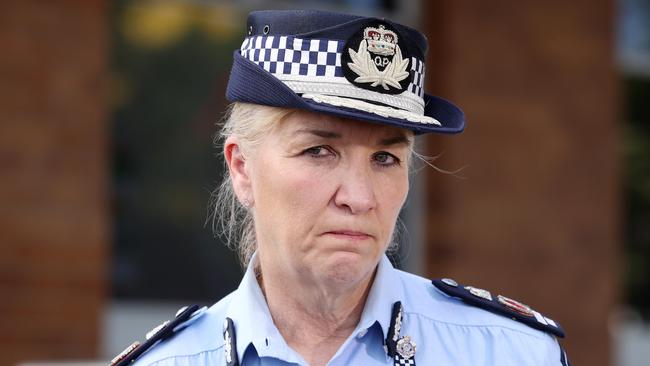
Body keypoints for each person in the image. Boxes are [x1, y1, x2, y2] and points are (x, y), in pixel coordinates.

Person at [111, 9, 570, 366]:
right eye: (319, 151)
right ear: (242, 168)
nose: (360, 197)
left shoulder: (508, 352)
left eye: (385, 158)